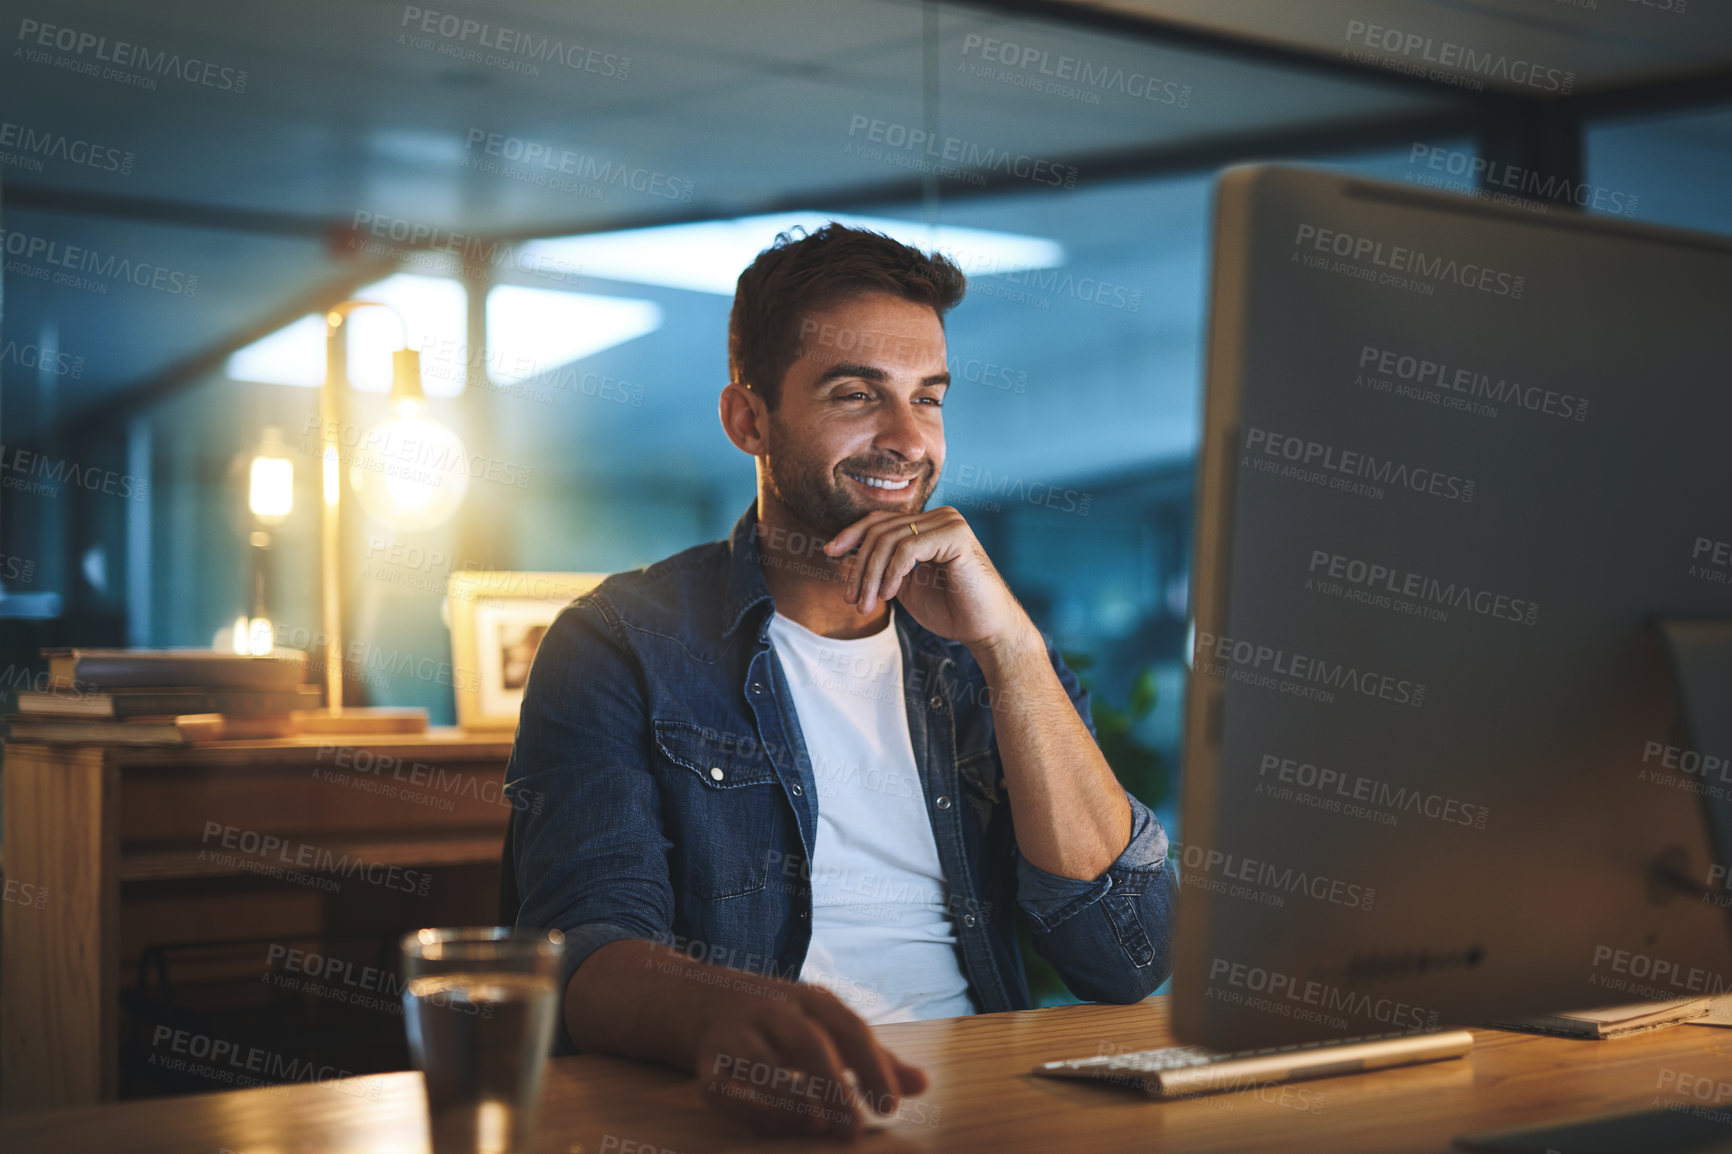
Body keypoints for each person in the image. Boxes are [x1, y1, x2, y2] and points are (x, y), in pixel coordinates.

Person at [506, 222, 1175, 1139]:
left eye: (928, 399)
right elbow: (582, 951)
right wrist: (726, 1014)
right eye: (857, 394)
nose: (906, 439)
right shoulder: (622, 642)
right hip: (760, 1116)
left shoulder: (993, 653)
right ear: (749, 419)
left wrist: (1012, 651)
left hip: (984, 1103)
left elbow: (1124, 958)